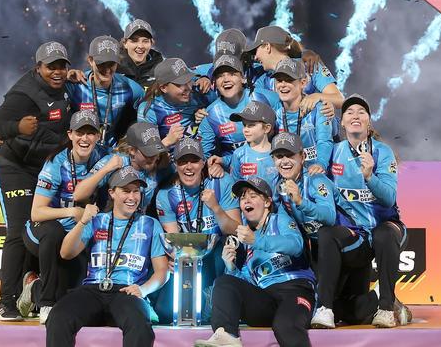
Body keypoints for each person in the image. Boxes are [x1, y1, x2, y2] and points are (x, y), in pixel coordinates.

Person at [0, 41, 72, 321]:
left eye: (62, 66)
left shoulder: (68, 87)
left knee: (41, 230)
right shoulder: (23, 95)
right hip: (13, 167)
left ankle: (32, 290)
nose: (57, 72)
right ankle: (5, 302)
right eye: (51, 67)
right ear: (39, 68)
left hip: (44, 170)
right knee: (16, 231)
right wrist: (16, 128)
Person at [310, 95, 411, 329]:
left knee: (383, 234)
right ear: (342, 123)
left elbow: (388, 198)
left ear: (368, 122)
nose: (355, 115)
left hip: (387, 229)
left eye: (361, 112)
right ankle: (325, 309)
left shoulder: (383, 152)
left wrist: (369, 176)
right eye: (349, 112)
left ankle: (386, 308)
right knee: (326, 234)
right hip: (357, 236)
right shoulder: (333, 153)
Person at [46, 166, 169, 347]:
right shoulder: (97, 220)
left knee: (139, 324)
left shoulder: (150, 224)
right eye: (126, 191)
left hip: (126, 292)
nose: (132, 197)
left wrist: (143, 290)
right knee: (58, 316)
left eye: (136, 191)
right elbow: (66, 253)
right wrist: (83, 221)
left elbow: (162, 272)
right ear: (112, 193)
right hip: (93, 290)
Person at [194, 177, 315, 347]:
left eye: (253, 196)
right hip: (266, 299)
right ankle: (226, 335)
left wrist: (257, 240)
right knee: (224, 281)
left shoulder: (278, 219)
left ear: (267, 202)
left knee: (285, 326)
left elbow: (296, 245)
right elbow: (248, 280)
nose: (246, 200)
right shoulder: (245, 239)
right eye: (243, 198)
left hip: (295, 291)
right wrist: (231, 268)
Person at [16, 110, 107, 324]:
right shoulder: (56, 163)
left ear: (98, 135)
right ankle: (46, 303)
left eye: (91, 133)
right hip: (42, 230)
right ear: (70, 135)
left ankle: (33, 287)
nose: (85, 139)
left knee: (72, 295)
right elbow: (36, 212)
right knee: (54, 232)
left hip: (76, 232)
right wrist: (72, 211)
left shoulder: (104, 157)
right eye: (80, 133)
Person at [152, 137, 241, 323]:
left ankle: (217, 298)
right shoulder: (165, 194)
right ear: (175, 164)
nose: (188, 167)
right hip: (186, 258)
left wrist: (216, 208)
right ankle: (206, 302)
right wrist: (174, 261)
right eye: (183, 161)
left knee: (224, 246)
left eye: (194, 160)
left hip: (216, 253)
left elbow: (234, 229)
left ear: (203, 162)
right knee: (165, 310)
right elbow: (173, 239)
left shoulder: (222, 183)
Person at [197, 54, 281, 167]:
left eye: (232, 74)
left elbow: (290, 123)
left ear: (243, 78)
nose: (226, 79)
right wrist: (214, 166)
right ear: (215, 82)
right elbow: (203, 156)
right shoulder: (211, 115)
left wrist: (313, 97)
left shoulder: (266, 98)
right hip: (236, 171)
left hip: (273, 164)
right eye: (220, 76)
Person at [270, 132, 336, 270]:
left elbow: (330, 218)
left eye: (290, 155)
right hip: (315, 250)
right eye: (279, 156)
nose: (285, 161)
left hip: (341, 244)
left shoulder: (315, 178)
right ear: (273, 160)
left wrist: (301, 202)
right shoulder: (279, 187)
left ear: (303, 157)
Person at [65, 35, 145, 146]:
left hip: (111, 152)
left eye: (111, 63)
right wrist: (64, 76)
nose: (107, 69)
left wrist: (130, 139)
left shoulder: (128, 87)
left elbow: (149, 107)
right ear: (91, 61)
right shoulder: (76, 85)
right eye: (102, 63)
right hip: (82, 148)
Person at [72, 122, 168, 212]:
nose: (153, 157)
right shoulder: (115, 162)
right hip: (109, 222)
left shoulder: (158, 162)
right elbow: (78, 195)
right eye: (148, 152)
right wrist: (105, 170)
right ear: (132, 150)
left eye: (156, 151)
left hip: (139, 222)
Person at [136, 58, 215, 147]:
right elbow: (147, 151)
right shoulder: (149, 110)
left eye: (188, 80)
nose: (187, 88)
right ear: (164, 88)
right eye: (179, 84)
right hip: (167, 157)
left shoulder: (200, 92)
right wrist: (167, 142)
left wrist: (208, 114)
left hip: (198, 154)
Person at [272, 58, 333, 172]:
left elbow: (324, 141)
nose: (283, 85)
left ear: (303, 83)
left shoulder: (319, 109)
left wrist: (320, 164)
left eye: (289, 80)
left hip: (314, 173)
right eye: (279, 80)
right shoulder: (275, 112)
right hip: (287, 172)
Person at [224, 101, 279, 192]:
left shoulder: (278, 153)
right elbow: (235, 184)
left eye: (251, 125)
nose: (245, 130)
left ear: (267, 128)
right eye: (244, 125)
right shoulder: (239, 154)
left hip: (275, 205)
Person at [117, 19, 164, 88]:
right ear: (125, 43)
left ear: (151, 43)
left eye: (145, 41)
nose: (140, 46)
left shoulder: (162, 73)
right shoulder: (112, 69)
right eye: (134, 41)